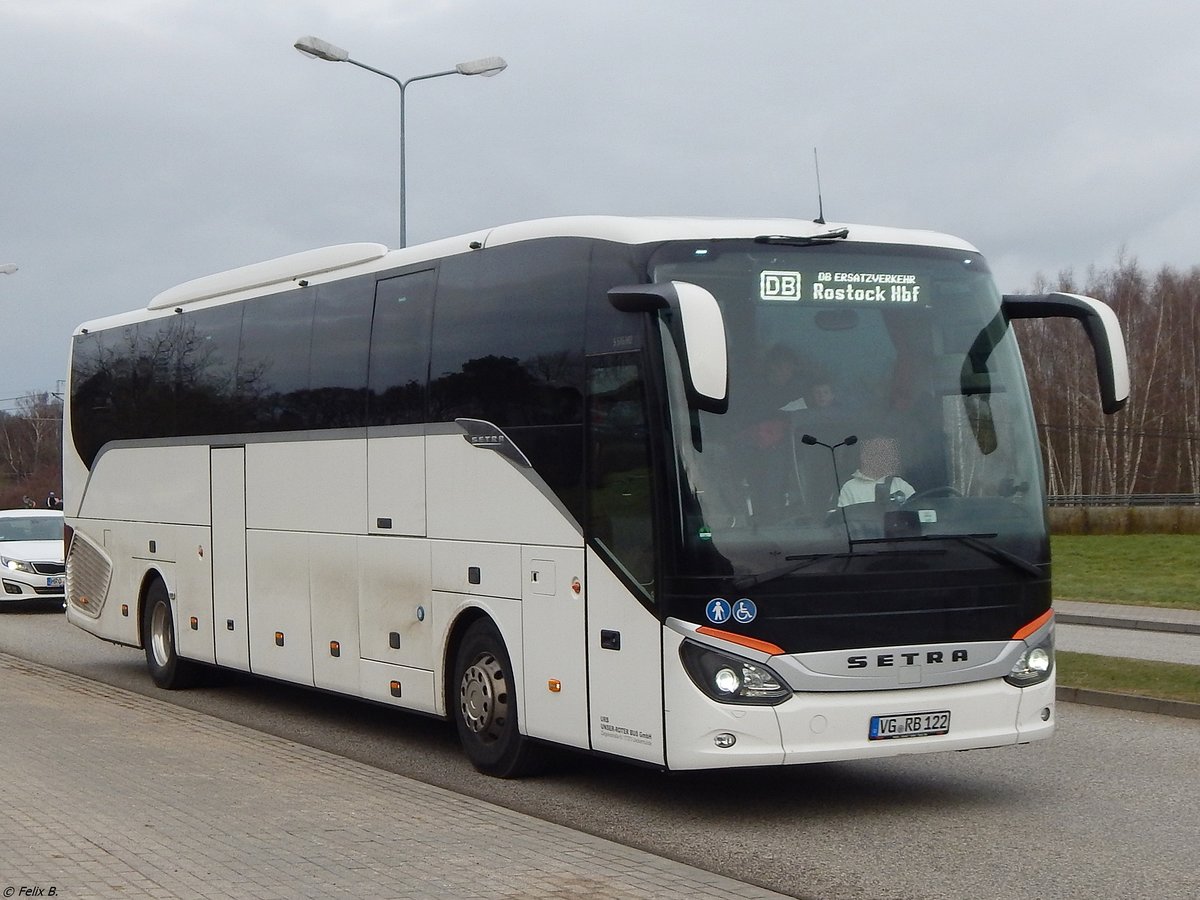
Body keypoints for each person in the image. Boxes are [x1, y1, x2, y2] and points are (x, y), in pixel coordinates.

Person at [837, 436, 914, 507]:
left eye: (886, 454)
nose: (884, 458)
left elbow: (915, 509)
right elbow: (843, 519)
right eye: (879, 453)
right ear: (864, 457)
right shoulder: (850, 487)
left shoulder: (899, 484)